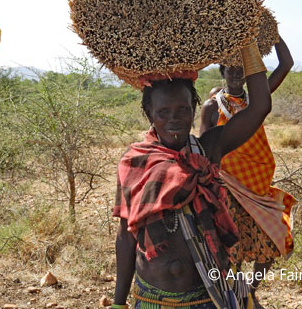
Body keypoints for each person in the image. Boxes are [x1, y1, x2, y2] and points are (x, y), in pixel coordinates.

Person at [113, 42, 271, 309]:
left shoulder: (208, 149)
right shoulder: (135, 161)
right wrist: (118, 303)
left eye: (183, 110)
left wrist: (247, 43)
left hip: (207, 297)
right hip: (151, 299)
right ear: (149, 113)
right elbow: (126, 236)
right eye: (163, 112)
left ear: (194, 108)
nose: (174, 119)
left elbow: (260, 108)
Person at [199, 36, 295, 308]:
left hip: (257, 183)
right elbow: (205, 146)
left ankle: (251, 290)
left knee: (270, 239)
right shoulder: (212, 106)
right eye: (231, 69)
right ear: (223, 72)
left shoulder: (256, 102)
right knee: (235, 246)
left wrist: (271, 33)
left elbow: (286, 63)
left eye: (241, 69)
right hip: (227, 184)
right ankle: (239, 296)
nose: (237, 74)